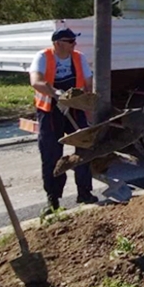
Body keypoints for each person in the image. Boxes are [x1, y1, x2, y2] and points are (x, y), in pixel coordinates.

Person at [29, 28, 98, 213]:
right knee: (51, 154)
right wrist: (56, 94)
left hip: (75, 108)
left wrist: (87, 107)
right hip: (50, 110)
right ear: (58, 43)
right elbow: (35, 81)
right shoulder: (43, 57)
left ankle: (84, 193)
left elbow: (88, 82)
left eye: (74, 41)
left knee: (84, 148)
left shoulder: (78, 57)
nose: (74, 44)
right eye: (70, 41)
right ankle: (53, 200)